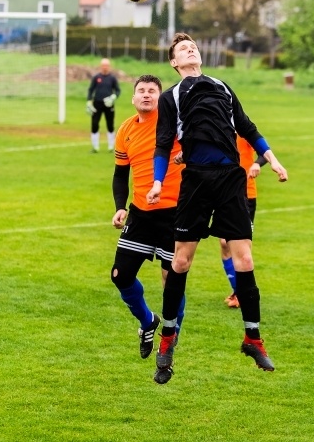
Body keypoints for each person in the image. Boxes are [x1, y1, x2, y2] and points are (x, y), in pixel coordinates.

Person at [147, 32, 288, 384]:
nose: (190, 49)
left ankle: (253, 339)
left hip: (230, 180)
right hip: (195, 180)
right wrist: (158, 181)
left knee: (245, 260)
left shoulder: (223, 87)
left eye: (192, 45)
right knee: (180, 262)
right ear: (174, 63)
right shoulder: (172, 96)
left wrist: (272, 159)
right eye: (182, 48)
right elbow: (164, 143)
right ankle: (167, 341)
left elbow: (247, 127)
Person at [111, 74, 186, 362]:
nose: (146, 95)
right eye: (141, 91)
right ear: (133, 98)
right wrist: (120, 206)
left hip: (174, 213)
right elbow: (120, 174)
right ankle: (148, 322)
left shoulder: (172, 122)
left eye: (152, 91)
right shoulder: (126, 130)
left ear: (160, 97)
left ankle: (172, 334)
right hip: (140, 213)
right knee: (120, 275)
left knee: (172, 280)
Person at [221, 136, 266, 309]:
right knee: (224, 244)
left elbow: (264, 152)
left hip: (245, 194)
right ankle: (237, 290)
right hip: (221, 193)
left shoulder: (243, 128)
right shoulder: (214, 125)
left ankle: (241, 291)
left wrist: (256, 164)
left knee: (241, 246)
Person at [87, 58, 121, 153]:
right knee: (94, 124)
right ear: (101, 66)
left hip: (109, 104)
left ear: (109, 67)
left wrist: (114, 96)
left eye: (107, 65)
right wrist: (89, 101)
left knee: (110, 125)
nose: (105, 67)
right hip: (97, 103)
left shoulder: (112, 78)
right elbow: (91, 90)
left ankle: (111, 147)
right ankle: (95, 147)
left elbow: (118, 90)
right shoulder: (96, 77)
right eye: (103, 65)